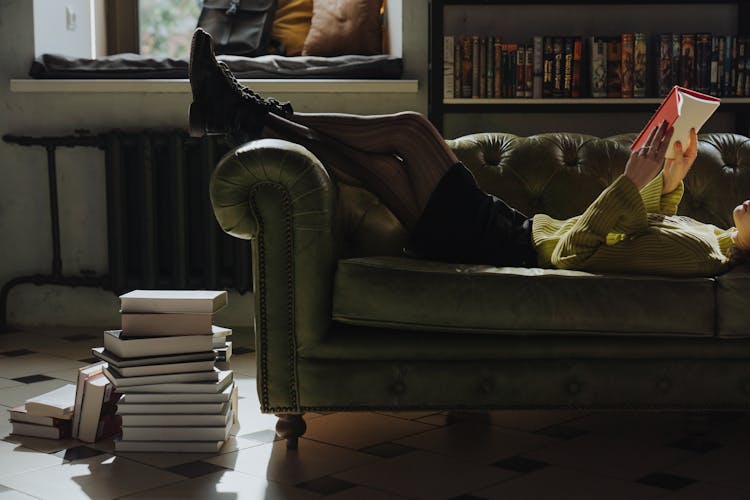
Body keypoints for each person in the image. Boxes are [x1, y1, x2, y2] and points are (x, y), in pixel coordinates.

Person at [188, 28, 750, 278]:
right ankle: (237, 113)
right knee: (371, 165)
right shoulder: (713, 241)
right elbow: (644, 229)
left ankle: (243, 110)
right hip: (510, 232)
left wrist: (631, 179)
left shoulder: (702, 258)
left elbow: (583, 256)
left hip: (509, 245)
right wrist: (671, 179)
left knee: (409, 131)